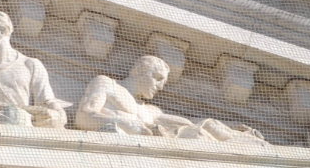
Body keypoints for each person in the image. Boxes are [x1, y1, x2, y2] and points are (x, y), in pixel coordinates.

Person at [76, 55, 267, 145]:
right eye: (157, 78)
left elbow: (190, 123)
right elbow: (84, 116)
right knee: (199, 136)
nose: (160, 86)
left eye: (163, 82)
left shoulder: (150, 110)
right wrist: (125, 122)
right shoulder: (108, 84)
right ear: (138, 70)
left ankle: (247, 141)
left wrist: (233, 126)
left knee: (206, 127)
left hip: (160, 141)